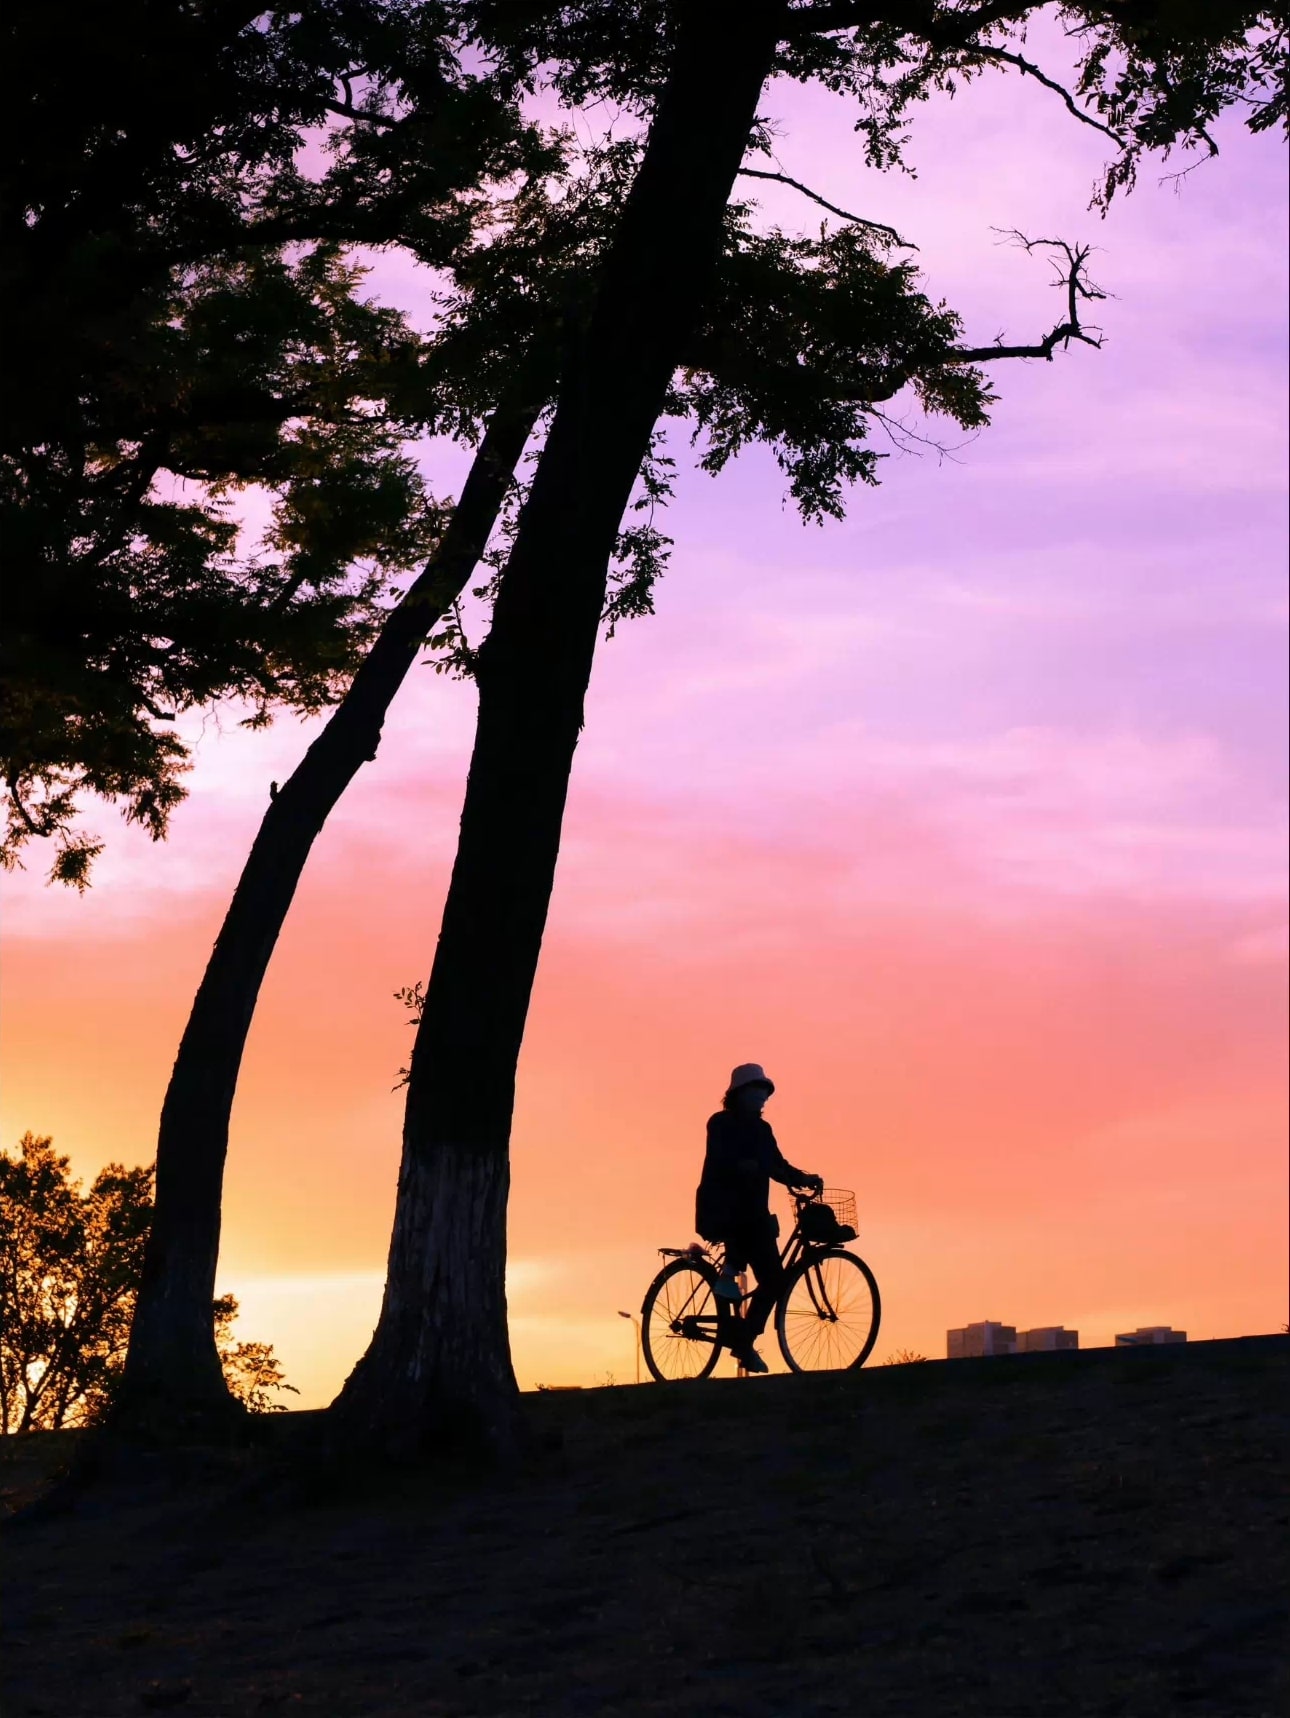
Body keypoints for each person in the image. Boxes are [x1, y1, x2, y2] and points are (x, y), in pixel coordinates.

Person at [694, 1063, 823, 1374]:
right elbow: (722, 1158)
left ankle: (744, 1339)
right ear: (739, 1094)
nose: (762, 1097)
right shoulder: (721, 1123)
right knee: (771, 1276)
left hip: (753, 1216)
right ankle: (729, 1279)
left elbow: (775, 1164)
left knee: (774, 1282)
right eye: (756, 1091)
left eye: (764, 1092)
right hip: (724, 1211)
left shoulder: (762, 1130)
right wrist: (745, 1165)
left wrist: (801, 1177)